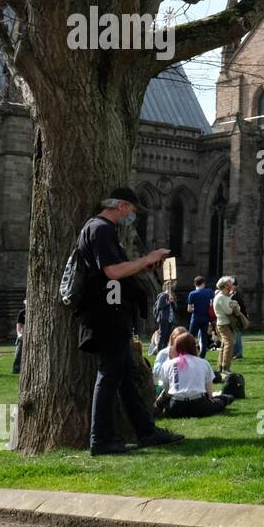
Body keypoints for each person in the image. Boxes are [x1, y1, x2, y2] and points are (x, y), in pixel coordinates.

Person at [76, 187, 182, 455]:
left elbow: (116, 270)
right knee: (110, 374)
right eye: (132, 211)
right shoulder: (99, 229)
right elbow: (112, 272)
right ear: (122, 206)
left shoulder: (101, 230)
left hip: (113, 311)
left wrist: (142, 266)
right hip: (106, 313)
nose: (132, 216)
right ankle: (100, 439)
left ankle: (146, 431)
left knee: (124, 376)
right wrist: (147, 258)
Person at [155, 333, 233, 418]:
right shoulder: (203, 363)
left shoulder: (168, 364)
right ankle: (227, 398)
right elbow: (210, 393)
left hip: (176, 407)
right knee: (221, 401)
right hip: (199, 405)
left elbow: (166, 390)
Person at [212, 277, 239, 379]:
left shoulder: (225, 296)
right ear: (225, 286)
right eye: (230, 284)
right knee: (230, 343)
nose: (232, 286)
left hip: (225, 324)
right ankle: (225, 368)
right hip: (223, 325)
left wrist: (234, 305)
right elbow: (229, 311)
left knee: (224, 345)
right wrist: (234, 305)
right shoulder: (221, 297)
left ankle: (221, 367)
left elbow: (235, 307)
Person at [185, 276, 213, 354]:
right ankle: (202, 354)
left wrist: (196, 309)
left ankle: (189, 352)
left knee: (191, 337)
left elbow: (189, 309)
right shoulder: (209, 291)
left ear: (195, 284)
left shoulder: (192, 294)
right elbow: (211, 304)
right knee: (204, 337)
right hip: (205, 318)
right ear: (203, 283)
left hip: (195, 318)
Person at [151, 282, 176, 355]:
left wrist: (172, 302)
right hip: (164, 319)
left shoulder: (172, 296)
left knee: (168, 337)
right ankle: (159, 353)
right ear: (165, 287)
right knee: (162, 336)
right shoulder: (163, 296)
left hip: (170, 319)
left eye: (170, 286)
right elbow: (159, 307)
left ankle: (164, 352)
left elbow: (175, 308)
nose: (169, 287)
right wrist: (167, 303)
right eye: (168, 286)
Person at [11, 299, 26, 374]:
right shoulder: (22, 312)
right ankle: (16, 369)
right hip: (23, 335)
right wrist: (19, 334)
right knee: (19, 352)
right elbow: (18, 325)